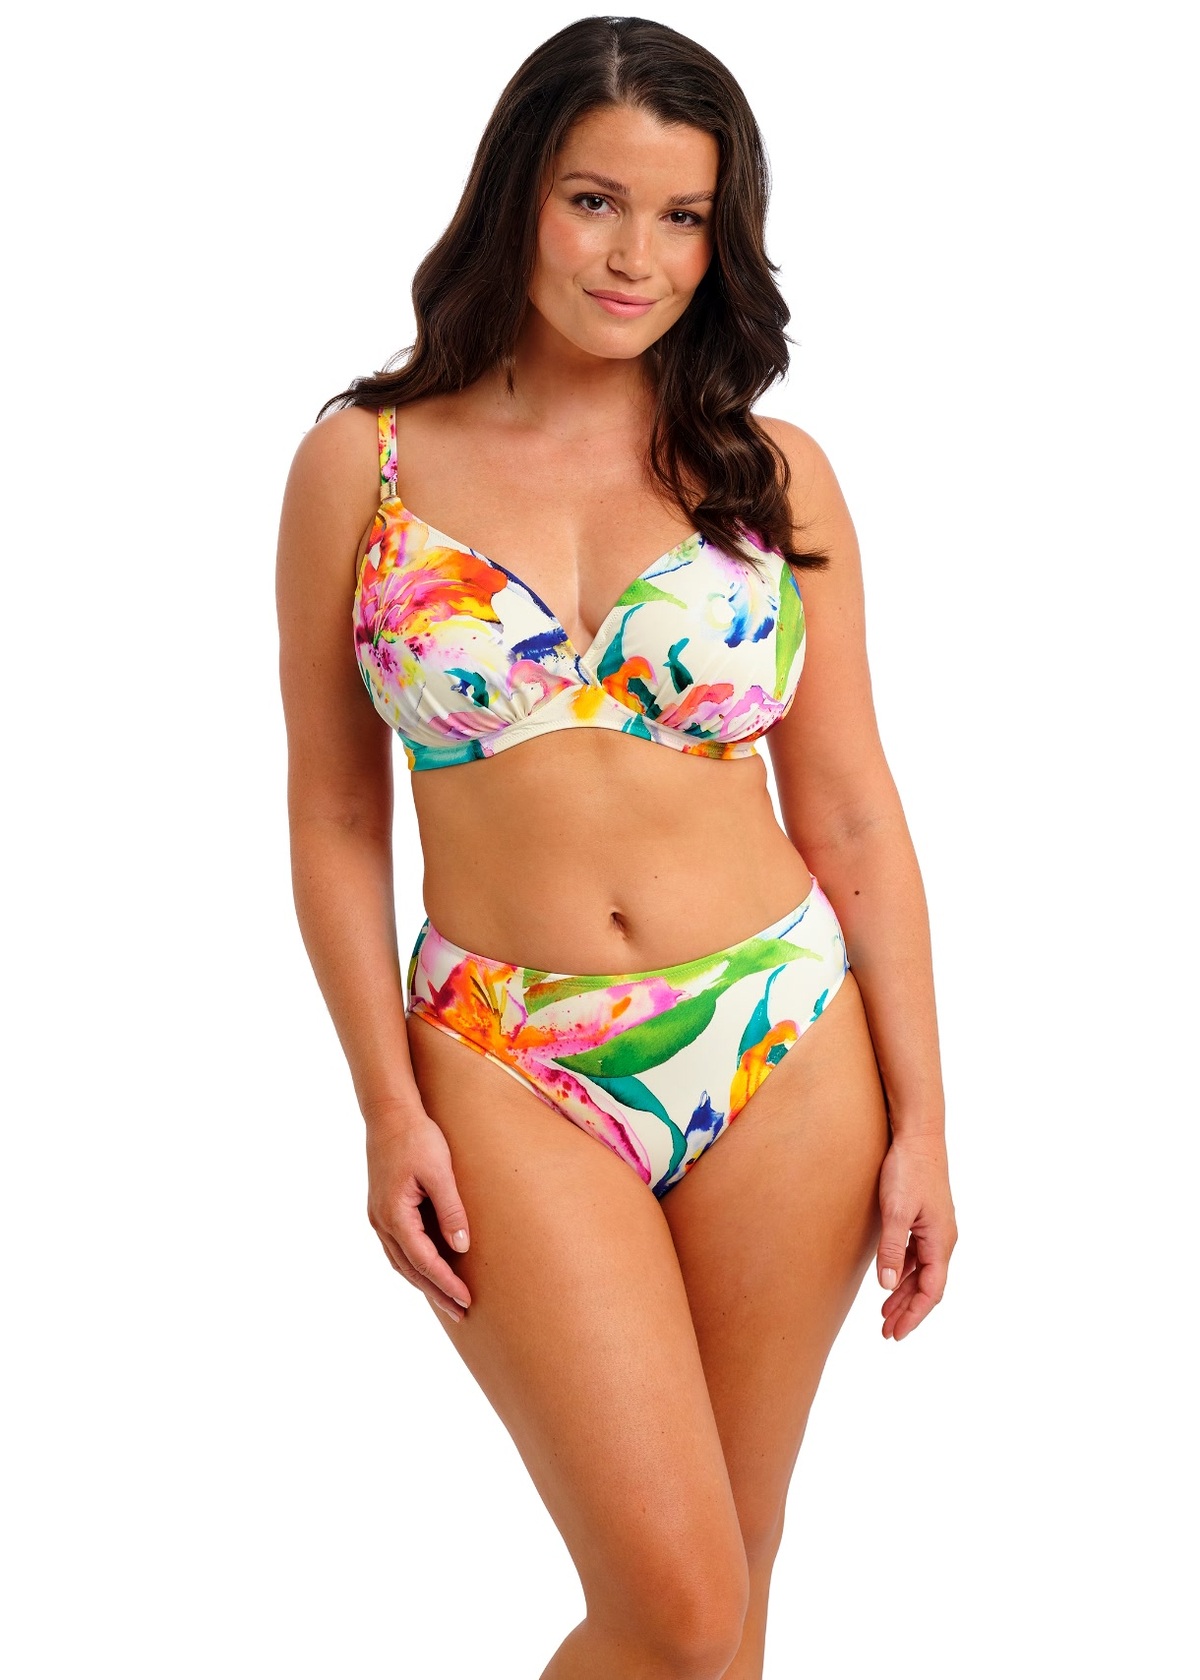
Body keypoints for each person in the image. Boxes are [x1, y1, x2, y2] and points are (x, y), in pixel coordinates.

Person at [276, 15, 956, 1678]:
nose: (635, 256)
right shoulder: (362, 465)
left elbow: (851, 808)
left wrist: (928, 1121)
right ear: (518, 195)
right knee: (676, 1604)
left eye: (683, 216)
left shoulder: (770, 474)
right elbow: (337, 813)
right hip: (505, 1056)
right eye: (595, 201)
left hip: (782, 1036)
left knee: (733, 1586)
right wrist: (385, 1106)